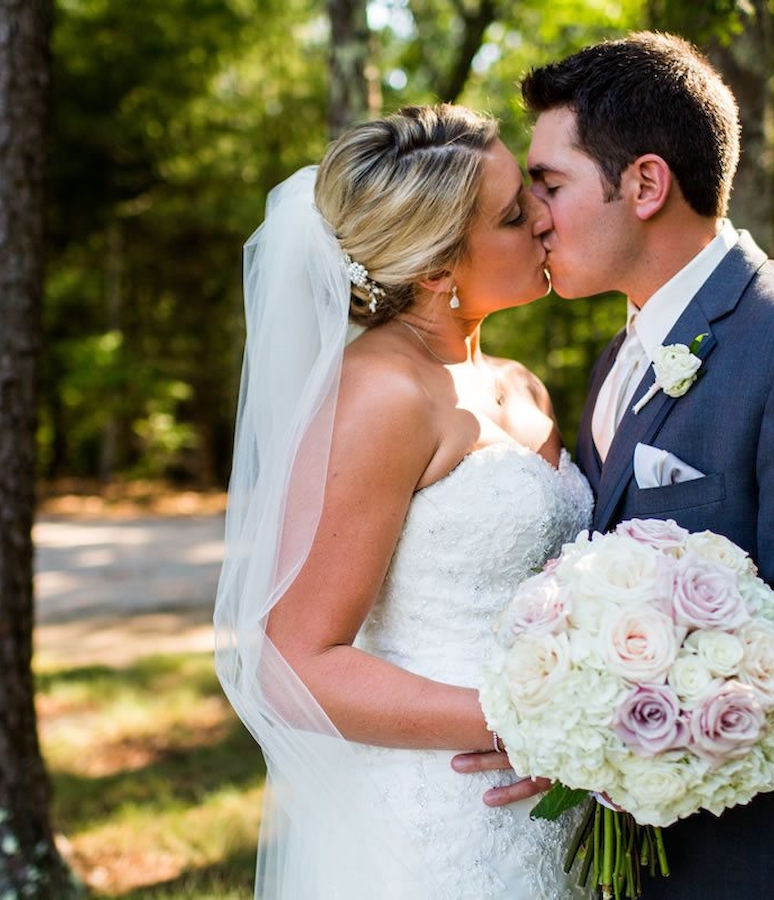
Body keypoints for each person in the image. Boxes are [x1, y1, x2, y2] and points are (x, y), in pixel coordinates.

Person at [457, 30, 774, 900]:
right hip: (659, 861)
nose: (535, 215)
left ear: (645, 184)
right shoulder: (619, 356)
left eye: (551, 184)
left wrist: (609, 734)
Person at [213, 104, 595, 899]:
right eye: (513, 216)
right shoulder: (382, 395)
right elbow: (292, 665)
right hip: (450, 812)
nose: (545, 220)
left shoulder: (517, 383)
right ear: (435, 270)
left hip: (558, 804)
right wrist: (532, 723)